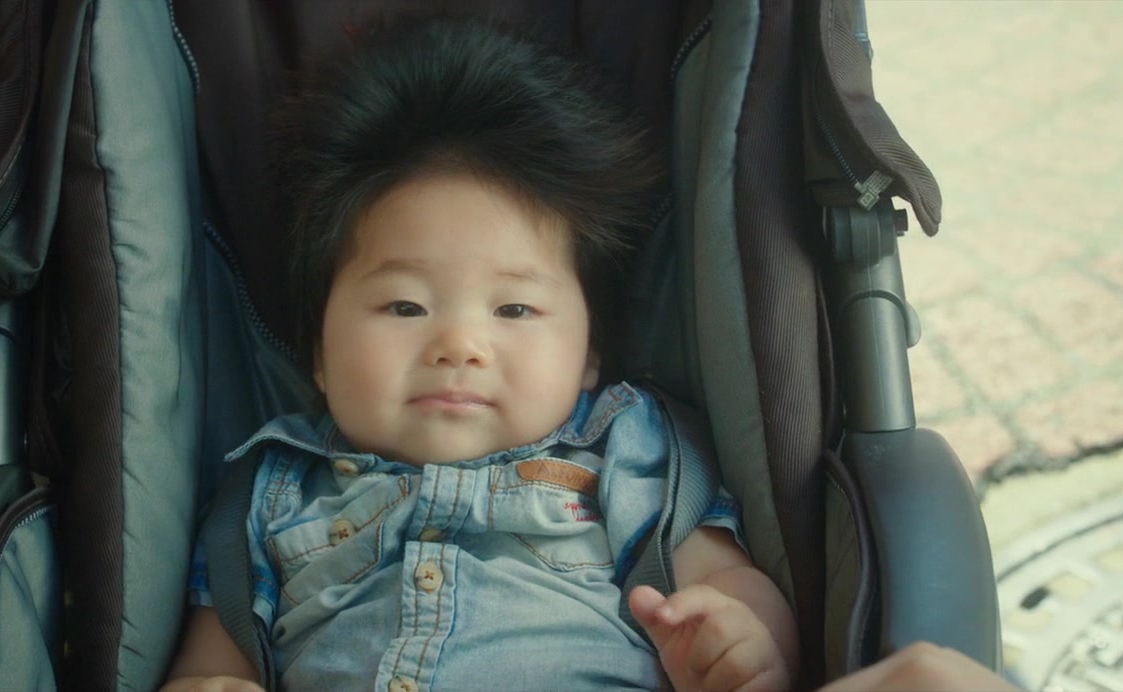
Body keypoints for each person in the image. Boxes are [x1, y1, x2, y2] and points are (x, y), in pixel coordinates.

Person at [162, 17, 799, 692]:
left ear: (589, 353)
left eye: (514, 309)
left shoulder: (624, 449)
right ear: (318, 351)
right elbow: (214, 659)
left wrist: (741, 642)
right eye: (405, 306)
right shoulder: (273, 491)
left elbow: (725, 579)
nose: (458, 346)